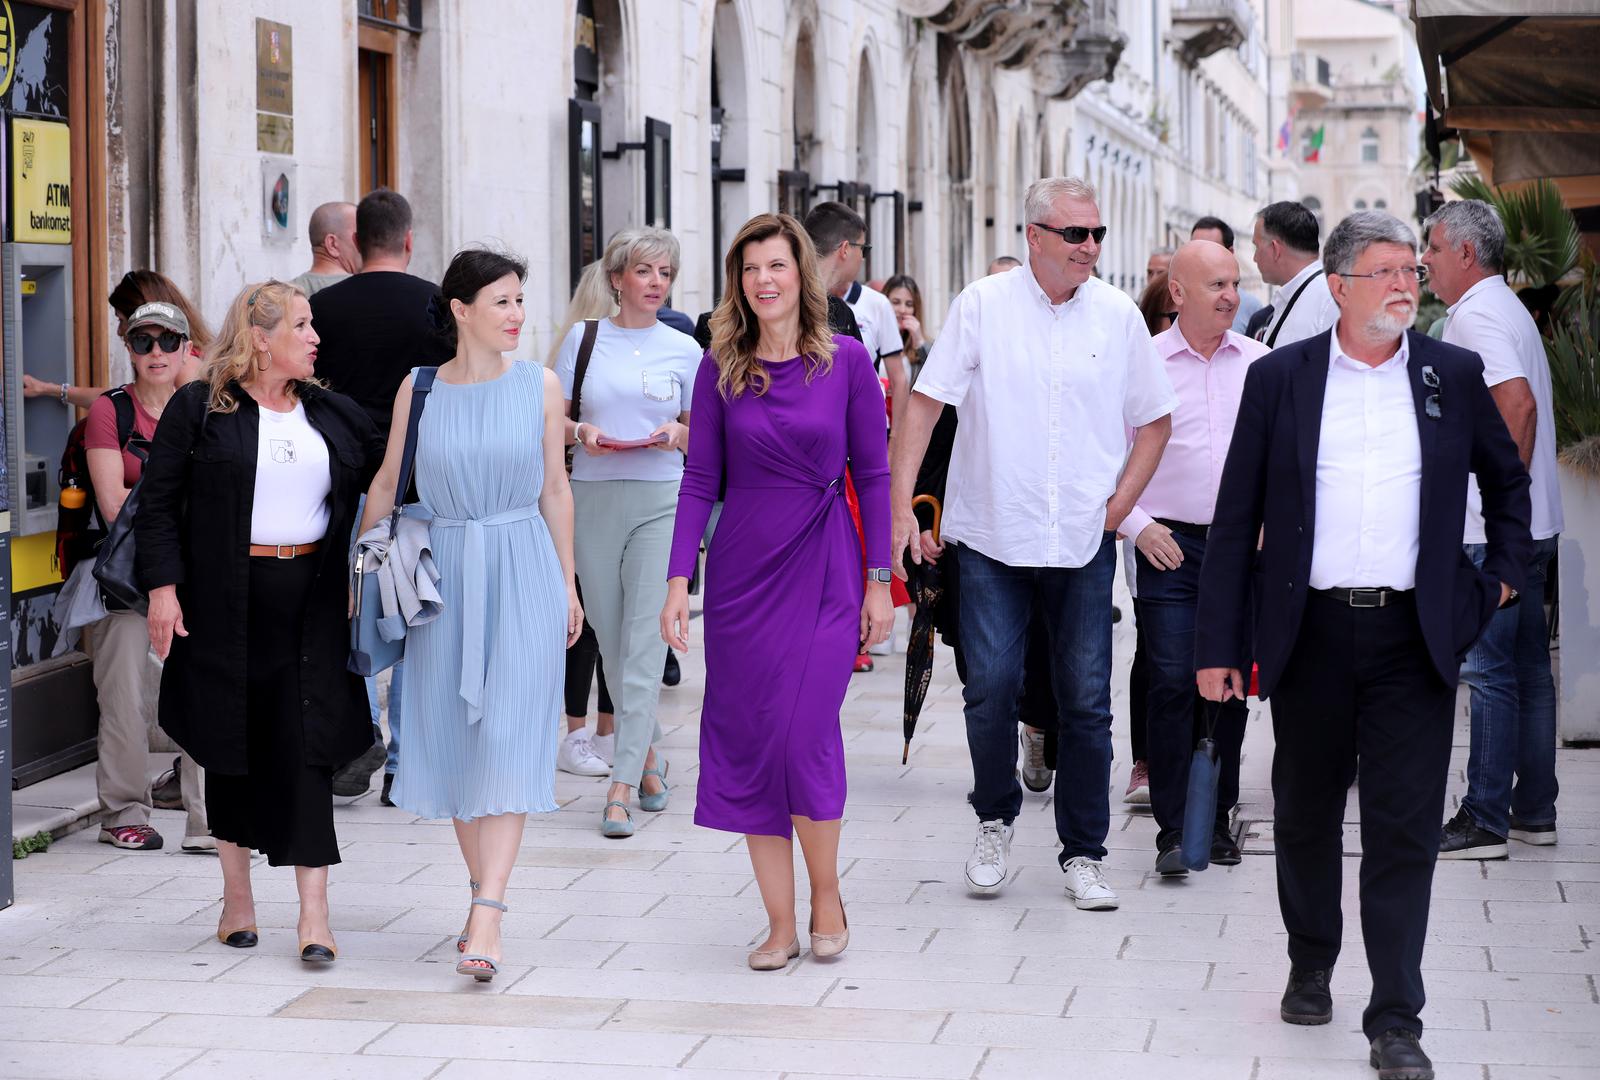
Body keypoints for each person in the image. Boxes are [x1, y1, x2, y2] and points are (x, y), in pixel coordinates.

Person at [1195, 211, 1531, 1079]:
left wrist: (1497, 581)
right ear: (1340, 286)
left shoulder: (1452, 373)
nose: (1405, 285)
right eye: (1385, 272)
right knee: (1304, 811)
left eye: (1411, 271)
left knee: (1403, 827)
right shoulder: (1281, 378)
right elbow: (1235, 519)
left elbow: (1507, 484)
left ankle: (1396, 1016)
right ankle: (1311, 960)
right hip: (1308, 631)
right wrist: (1218, 644)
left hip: (1413, 636)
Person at [890, 177, 1177, 910]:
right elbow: (923, 407)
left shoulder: (1117, 316)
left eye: (1097, 233)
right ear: (1035, 236)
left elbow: (1155, 422)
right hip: (992, 534)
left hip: (1082, 541)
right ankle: (994, 818)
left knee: (1086, 702)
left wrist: (1119, 507)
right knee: (989, 689)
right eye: (1076, 233)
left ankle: (1084, 852)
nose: (1091, 246)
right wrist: (900, 511)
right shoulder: (981, 306)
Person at [661, 212, 891, 969]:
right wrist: (678, 579)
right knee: (756, 740)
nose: (764, 279)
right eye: (751, 268)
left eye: (777, 265)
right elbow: (700, 480)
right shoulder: (721, 367)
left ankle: (827, 895)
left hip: (825, 565)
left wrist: (880, 581)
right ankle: (780, 924)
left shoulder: (847, 362)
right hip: (743, 576)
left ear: (802, 275)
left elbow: (874, 474)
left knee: (804, 735)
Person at [139, 281, 386, 962]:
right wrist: (163, 591)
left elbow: (394, 473)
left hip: (313, 600)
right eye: (301, 325)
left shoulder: (331, 411)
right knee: (231, 748)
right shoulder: (200, 408)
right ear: (260, 338)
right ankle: (237, 901)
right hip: (223, 600)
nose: (314, 337)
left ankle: (315, 917)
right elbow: (157, 506)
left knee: (309, 751)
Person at [359, 248, 581, 981]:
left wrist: (568, 584)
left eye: (520, 300)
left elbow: (555, 489)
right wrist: (364, 571)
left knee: (510, 734)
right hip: (443, 577)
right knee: (455, 738)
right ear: (461, 310)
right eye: (502, 302)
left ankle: (489, 908)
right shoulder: (419, 387)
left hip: (523, 567)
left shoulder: (540, 385)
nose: (517, 315)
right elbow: (387, 482)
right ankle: (482, 895)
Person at [1422, 199, 1565, 857]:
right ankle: (1534, 809)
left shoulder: (1476, 315)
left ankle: (1484, 818)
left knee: (1488, 671)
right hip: (1530, 525)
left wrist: (1500, 509)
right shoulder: (1503, 307)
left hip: (1493, 533)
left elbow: (1517, 404)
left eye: (1432, 248)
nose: (1424, 261)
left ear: (1465, 252)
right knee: (1528, 669)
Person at [1119, 240, 1267, 875]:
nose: (1232, 296)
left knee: (1228, 685)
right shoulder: (1142, 364)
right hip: (1168, 548)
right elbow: (1107, 457)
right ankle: (1176, 828)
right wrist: (1138, 525)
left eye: (1234, 283)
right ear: (1177, 293)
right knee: (1174, 679)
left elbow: (1284, 456)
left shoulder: (1261, 364)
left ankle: (1217, 815)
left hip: (1240, 550)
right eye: (1216, 285)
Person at [311, 187, 454, 804]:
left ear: (355, 242)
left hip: (345, 481)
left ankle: (363, 733)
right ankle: (406, 761)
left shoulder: (323, 308)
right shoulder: (438, 305)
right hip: (425, 481)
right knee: (420, 615)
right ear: (409, 239)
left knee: (358, 610)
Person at [555, 227, 698, 837]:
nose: (656, 282)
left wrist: (678, 434)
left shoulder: (685, 349)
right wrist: (581, 433)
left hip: (661, 500)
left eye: (665, 272)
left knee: (643, 641)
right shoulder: (583, 339)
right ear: (617, 279)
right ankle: (648, 759)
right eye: (644, 271)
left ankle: (620, 786)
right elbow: (552, 418)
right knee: (612, 644)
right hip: (591, 497)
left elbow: (706, 433)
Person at [85, 302, 210, 853]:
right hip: (130, 580)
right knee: (124, 694)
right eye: (143, 342)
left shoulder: (208, 406)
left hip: (198, 574)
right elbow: (114, 505)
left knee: (206, 688)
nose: (156, 352)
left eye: (168, 341)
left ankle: (209, 821)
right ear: (129, 349)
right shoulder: (111, 410)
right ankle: (123, 813)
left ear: (187, 347)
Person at [547, 258, 619, 778]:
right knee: (588, 621)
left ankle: (602, 733)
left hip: (622, 492)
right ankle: (584, 733)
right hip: (580, 492)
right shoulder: (577, 347)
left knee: (609, 620)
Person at [23, 270, 214, 408]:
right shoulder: (181, 360)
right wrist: (48, 389)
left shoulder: (186, 368)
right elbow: (122, 401)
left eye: (121, 320)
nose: (119, 331)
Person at [803, 202, 908, 427]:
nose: (862, 258)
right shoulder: (800, 304)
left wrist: (894, 438)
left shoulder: (845, 310)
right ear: (845, 249)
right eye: (864, 249)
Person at [1251, 201, 1338, 348]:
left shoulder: (1328, 301)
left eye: (1257, 247)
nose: (1255, 258)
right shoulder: (1323, 296)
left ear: (1275, 249)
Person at [1190, 215, 1265, 334]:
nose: (1201, 257)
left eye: (1211, 250)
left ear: (1230, 252)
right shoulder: (1177, 301)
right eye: (1195, 249)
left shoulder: (1251, 308)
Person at [292, 201, 362, 296]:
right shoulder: (367, 291)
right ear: (332, 244)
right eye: (360, 236)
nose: (366, 244)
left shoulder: (284, 294)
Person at [884, 274, 930, 385]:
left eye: (909, 304)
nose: (902, 310)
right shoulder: (871, 339)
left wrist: (920, 343)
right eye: (896, 302)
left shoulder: (924, 347)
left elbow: (935, 380)